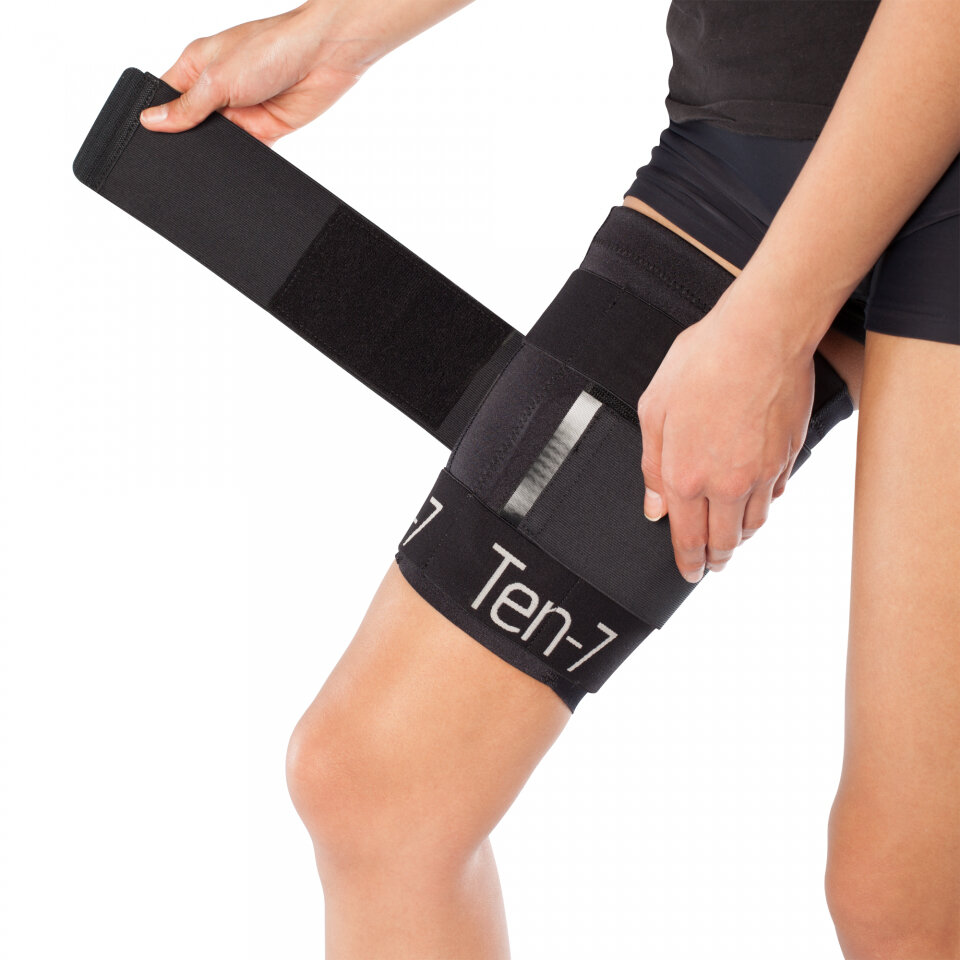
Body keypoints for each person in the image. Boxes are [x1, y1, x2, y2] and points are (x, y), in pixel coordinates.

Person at [139, 1, 960, 956]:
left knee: (903, 898)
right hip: (748, 132)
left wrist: (771, 323)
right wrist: (340, 27)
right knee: (378, 786)